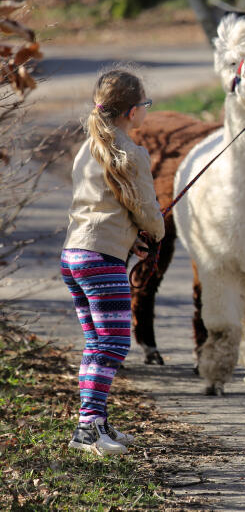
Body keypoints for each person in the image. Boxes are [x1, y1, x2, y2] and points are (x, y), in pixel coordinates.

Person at [62, 69, 164, 455]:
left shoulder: (88, 148)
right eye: (146, 105)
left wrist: (129, 238)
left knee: (96, 344)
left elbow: (105, 207)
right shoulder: (131, 154)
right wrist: (153, 233)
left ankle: (95, 424)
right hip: (100, 262)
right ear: (133, 111)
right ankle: (88, 429)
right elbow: (146, 210)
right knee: (115, 343)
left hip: (75, 256)